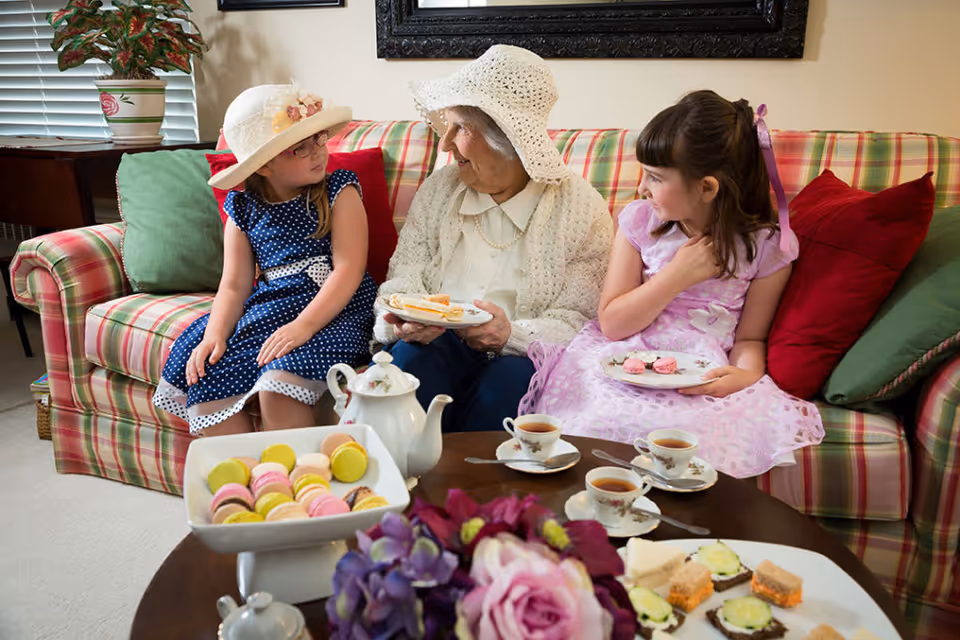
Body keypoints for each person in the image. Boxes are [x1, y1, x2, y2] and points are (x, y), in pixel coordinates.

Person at [519, 90, 824, 478]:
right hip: (628, 356)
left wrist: (745, 376)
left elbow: (750, 340)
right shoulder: (639, 224)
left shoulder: (766, 249)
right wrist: (677, 275)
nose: (643, 187)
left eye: (656, 177)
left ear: (707, 188)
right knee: (598, 413)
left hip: (700, 373)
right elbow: (612, 323)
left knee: (700, 435)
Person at [375, 45, 613, 432]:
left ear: (507, 137)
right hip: (433, 343)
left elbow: (577, 319)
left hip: (517, 355)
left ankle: (472, 493)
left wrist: (510, 335)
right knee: (408, 366)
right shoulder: (440, 188)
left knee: (506, 389)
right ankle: (397, 488)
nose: (445, 143)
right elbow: (403, 277)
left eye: (461, 129)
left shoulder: (580, 208)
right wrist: (401, 320)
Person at [153, 84, 377, 437]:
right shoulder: (242, 209)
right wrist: (216, 333)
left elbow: (350, 268)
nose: (319, 151)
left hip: (333, 309)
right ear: (265, 166)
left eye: (319, 139)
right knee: (207, 368)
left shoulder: (339, 190)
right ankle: (255, 480)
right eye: (300, 149)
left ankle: (304, 483)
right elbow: (234, 285)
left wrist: (303, 326)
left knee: (277, 388)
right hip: (272, 307)